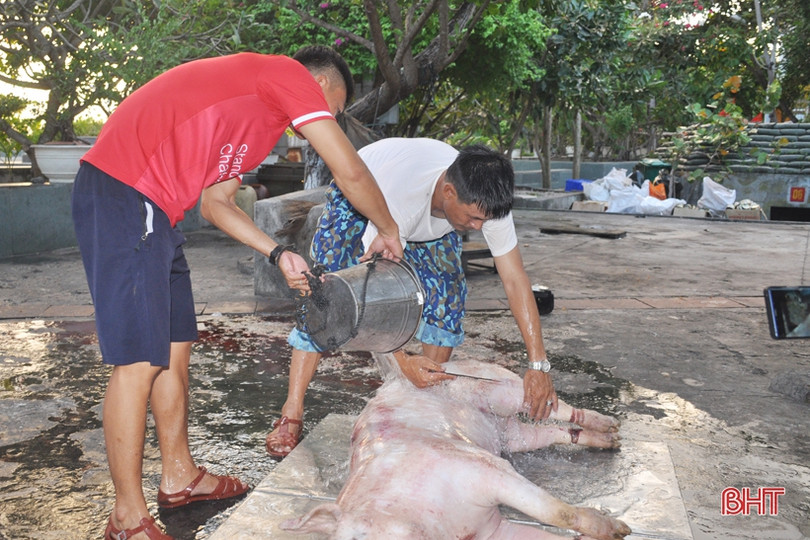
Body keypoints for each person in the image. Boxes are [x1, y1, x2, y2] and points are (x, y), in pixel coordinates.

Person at [71, 46, 403, 540]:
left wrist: (277, 253)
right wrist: (388, 226)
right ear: (323, 86)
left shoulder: (258, 123)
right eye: (334, 109)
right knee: (139, 361)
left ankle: (180, 476)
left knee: (172, 349)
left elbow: (215, 203)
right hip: (126, 192)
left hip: (157, 214)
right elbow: (348, 170)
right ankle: (125, 516)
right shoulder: (287, 75)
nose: (329, 122)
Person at [266, 137, 558, 458]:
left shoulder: (486, 200)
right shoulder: (401, 201)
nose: (477, 228)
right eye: (473, 219)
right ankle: (291, 410)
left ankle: (420, 406)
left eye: (484, 221)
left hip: (427, 219)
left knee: (447, 302)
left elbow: (515, 279)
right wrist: (402, 360)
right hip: (362, 196)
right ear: (449, 191)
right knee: (325, 297)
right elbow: (372, 300)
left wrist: (538, 363)